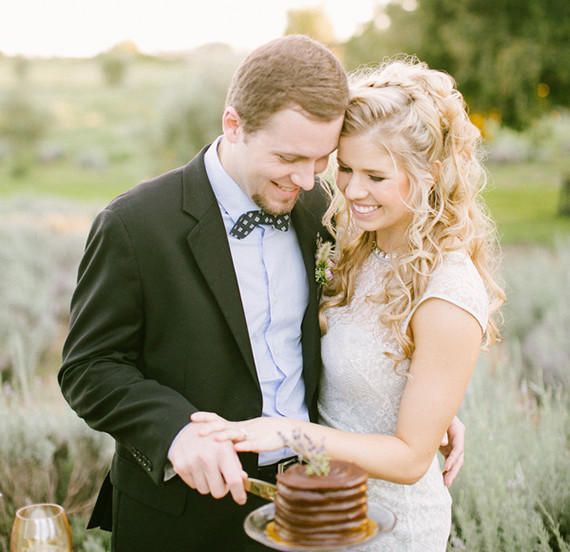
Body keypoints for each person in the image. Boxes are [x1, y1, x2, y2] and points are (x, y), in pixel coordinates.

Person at [58, 38, 466, 552]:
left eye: (322, 159)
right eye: (289, 157)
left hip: (315, 505)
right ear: (234, 125)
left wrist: (412, 400)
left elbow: (354, 322)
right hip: (183, 520)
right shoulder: (134, 226)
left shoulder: (325, 211)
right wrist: (175, 433)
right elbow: (89, 367)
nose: (306, 178)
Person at [192, 57, 505, 552]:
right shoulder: (355, 243)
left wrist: (289, 433)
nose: (352, 190)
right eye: (346, 168)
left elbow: (408, 460)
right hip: (322, 507)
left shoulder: (449, 287)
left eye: (377, 177)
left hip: (389, 528)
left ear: (431, 173)